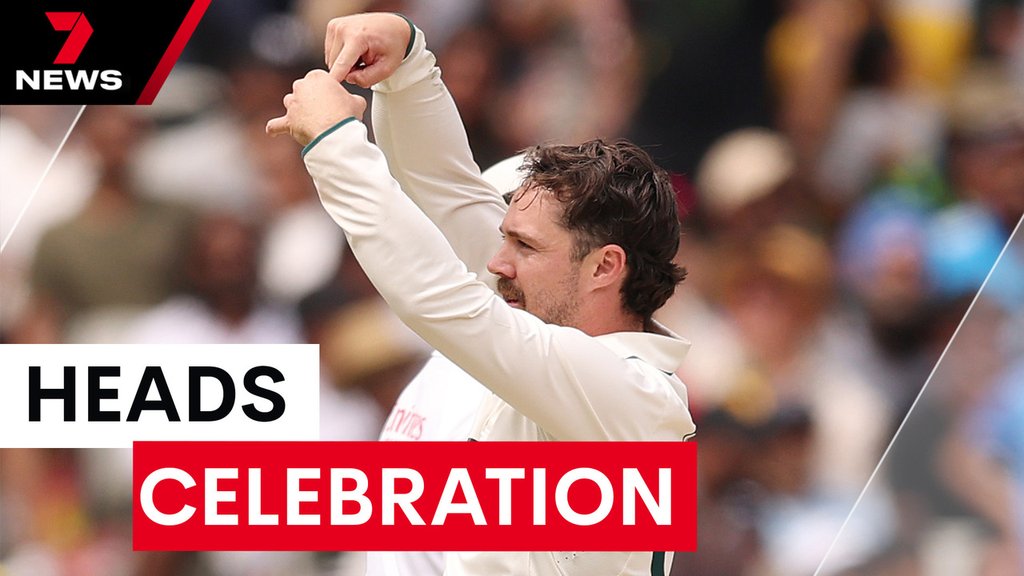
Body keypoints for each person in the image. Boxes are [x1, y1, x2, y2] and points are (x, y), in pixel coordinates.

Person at [267, 12, 696, 576]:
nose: (496, 262)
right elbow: (449, 194)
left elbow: (437, 297)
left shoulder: (628, 391)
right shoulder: (543, 316)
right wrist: (407, 68)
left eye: (524, 245)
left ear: (604, 267)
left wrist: (333, 145)